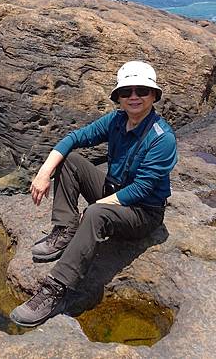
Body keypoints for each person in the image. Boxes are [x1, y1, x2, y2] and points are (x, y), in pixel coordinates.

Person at [10, 60, 178, 327]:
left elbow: (142, 189)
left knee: (96, 213)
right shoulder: (117, 121)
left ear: (154, 95)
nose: (133, 97)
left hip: (143, 212)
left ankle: (57, 289)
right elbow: (74, 138)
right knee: (71, 160)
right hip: (115, 191)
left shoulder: (161, 138)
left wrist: (97, 208)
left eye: (141, 91)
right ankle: (65, 229)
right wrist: (44, 173)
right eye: (126, 92)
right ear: (119, 97)